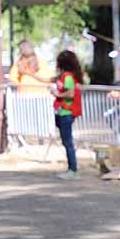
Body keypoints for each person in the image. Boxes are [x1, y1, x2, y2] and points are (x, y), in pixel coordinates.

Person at [50, 50, 84, 180]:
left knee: (68, 142)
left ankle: (73, 169)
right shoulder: (64, 76)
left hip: (66, 112)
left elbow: (70, 93)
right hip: (62, 112)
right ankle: (72, 168)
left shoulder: (68, 77)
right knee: (66, 141)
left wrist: (58, 94)